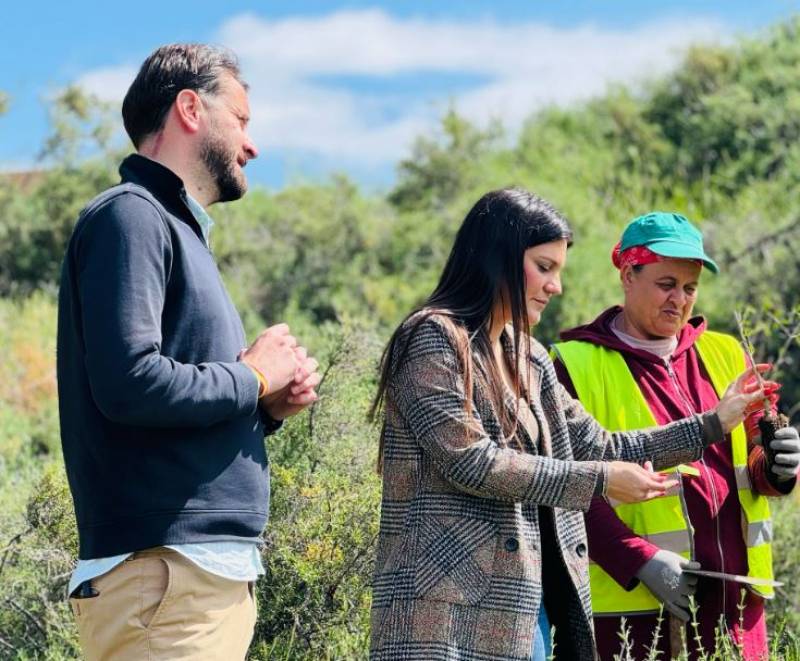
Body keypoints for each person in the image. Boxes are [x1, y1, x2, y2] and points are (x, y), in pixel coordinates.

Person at [368, 190, 769, 661]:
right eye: (543, 267)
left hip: (524, 610)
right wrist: (601, 480)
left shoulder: (529, 356)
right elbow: (472, 462)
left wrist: (712, 425)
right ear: (497, 259)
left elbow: (599, 444)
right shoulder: (433, 335)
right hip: (438, 615)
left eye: (558, 270)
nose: (555, 286)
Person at [57, 43, 321, 660]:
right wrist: (252, 375)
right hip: (166, 583)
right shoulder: (131, 217)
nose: (252, 145)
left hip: (186, 584)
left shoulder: (171, 230)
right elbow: (130, 383)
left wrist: (265, 407)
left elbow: (167, 401)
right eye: (243, 120)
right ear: (189, 109)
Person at [552, 212, 800, 660]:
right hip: (633, 619)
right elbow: (564, 485)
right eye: (667, 284)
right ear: (628, 274)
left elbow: (755, 469)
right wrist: (639, 560)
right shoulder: (574, 366)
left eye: (690, 288)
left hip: (737, 609)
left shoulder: (726, 352)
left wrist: (781, 467)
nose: (679, 301)